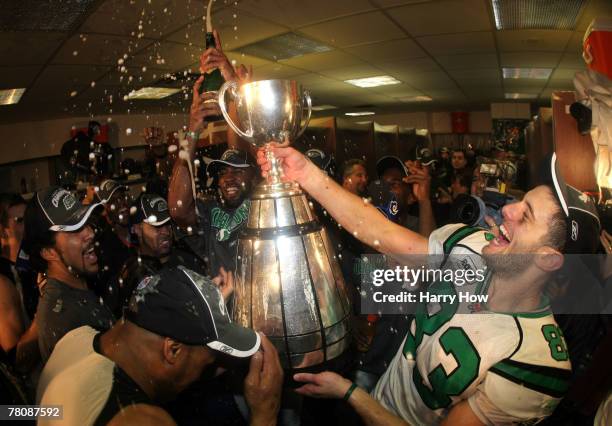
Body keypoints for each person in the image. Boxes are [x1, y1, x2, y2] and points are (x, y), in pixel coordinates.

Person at [257, 147, 600, 425]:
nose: (508, 209)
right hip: (376, 394)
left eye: (524, 216)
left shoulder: (534, 363)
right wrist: (306, 173)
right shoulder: (472, 247)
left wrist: (349, 394)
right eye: (519, 200)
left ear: (548, 259)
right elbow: (381, 233)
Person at [37, 266, 283, 425]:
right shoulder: (142, 420)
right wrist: (265, 415)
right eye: (208, 363)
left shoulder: (76, 338)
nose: (212, 368)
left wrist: (203, 313)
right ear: (172, 350)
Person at [169, 37, 254, 277]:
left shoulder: (261, 202)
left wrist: (236, 92)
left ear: (255, 174)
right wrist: (193, 127)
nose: (229, 177)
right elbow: (176, 209)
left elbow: (242, 142)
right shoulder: (210, 212)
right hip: (223, 312)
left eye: (237, 170)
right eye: (223, 171)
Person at [22, 186, 115, 362]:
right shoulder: (65, 320)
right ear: (49, 252)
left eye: (86, 222)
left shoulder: (80, 287)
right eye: (74, 229)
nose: (90, 233)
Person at [114, 193, 216, 316]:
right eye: (157, 226)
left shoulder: (189, 261)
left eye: (168, 224)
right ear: (137, 229)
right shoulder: (131, 274)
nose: (166, 232)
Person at [92, 179, 135, 305]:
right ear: (104, 210)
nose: (122, 204)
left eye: (122, 197)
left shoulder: (138, 230)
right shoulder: (103, 247)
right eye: (114, 201)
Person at [376, 155, 435, 238]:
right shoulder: (371, 225)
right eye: (382, 184)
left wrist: (423, 199)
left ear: (410, 197)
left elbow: (429, 247)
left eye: (394, 184)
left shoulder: (418, 226)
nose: (385, 189)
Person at [0, 194, 28, 361]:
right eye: (19, 220)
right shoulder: (3, 278)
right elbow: (17, 357)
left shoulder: (35, 264)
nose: (28, 226)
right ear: (2, 231)